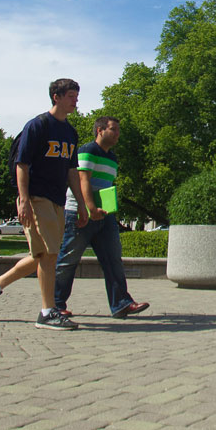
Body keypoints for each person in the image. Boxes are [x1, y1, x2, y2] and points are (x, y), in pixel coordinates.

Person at [0, 79, 88, 330]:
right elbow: (22, 165)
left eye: (76, 95)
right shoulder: (38, 126)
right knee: (49, 255)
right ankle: (47, 312)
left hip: (58, 200)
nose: (75, 100)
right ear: (56, 97)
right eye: (71, 95)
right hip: (37, 197)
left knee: (41, 255)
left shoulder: (70, 132)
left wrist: (81, 204)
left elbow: (72, 172)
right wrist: (24, 199)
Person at [53, 116, 150, 318]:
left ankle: (121, 303)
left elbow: (105, 186)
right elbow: (83, 180)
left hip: (105, 216)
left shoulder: (112, 158)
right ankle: (55, 303)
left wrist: (105, 209)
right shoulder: (87, 150)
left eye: (118, 130)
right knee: (69, 260)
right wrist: (90, 209)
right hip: (80, 213)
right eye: (113, 129)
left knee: (113, 260)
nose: (117, 134)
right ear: (99, 130)